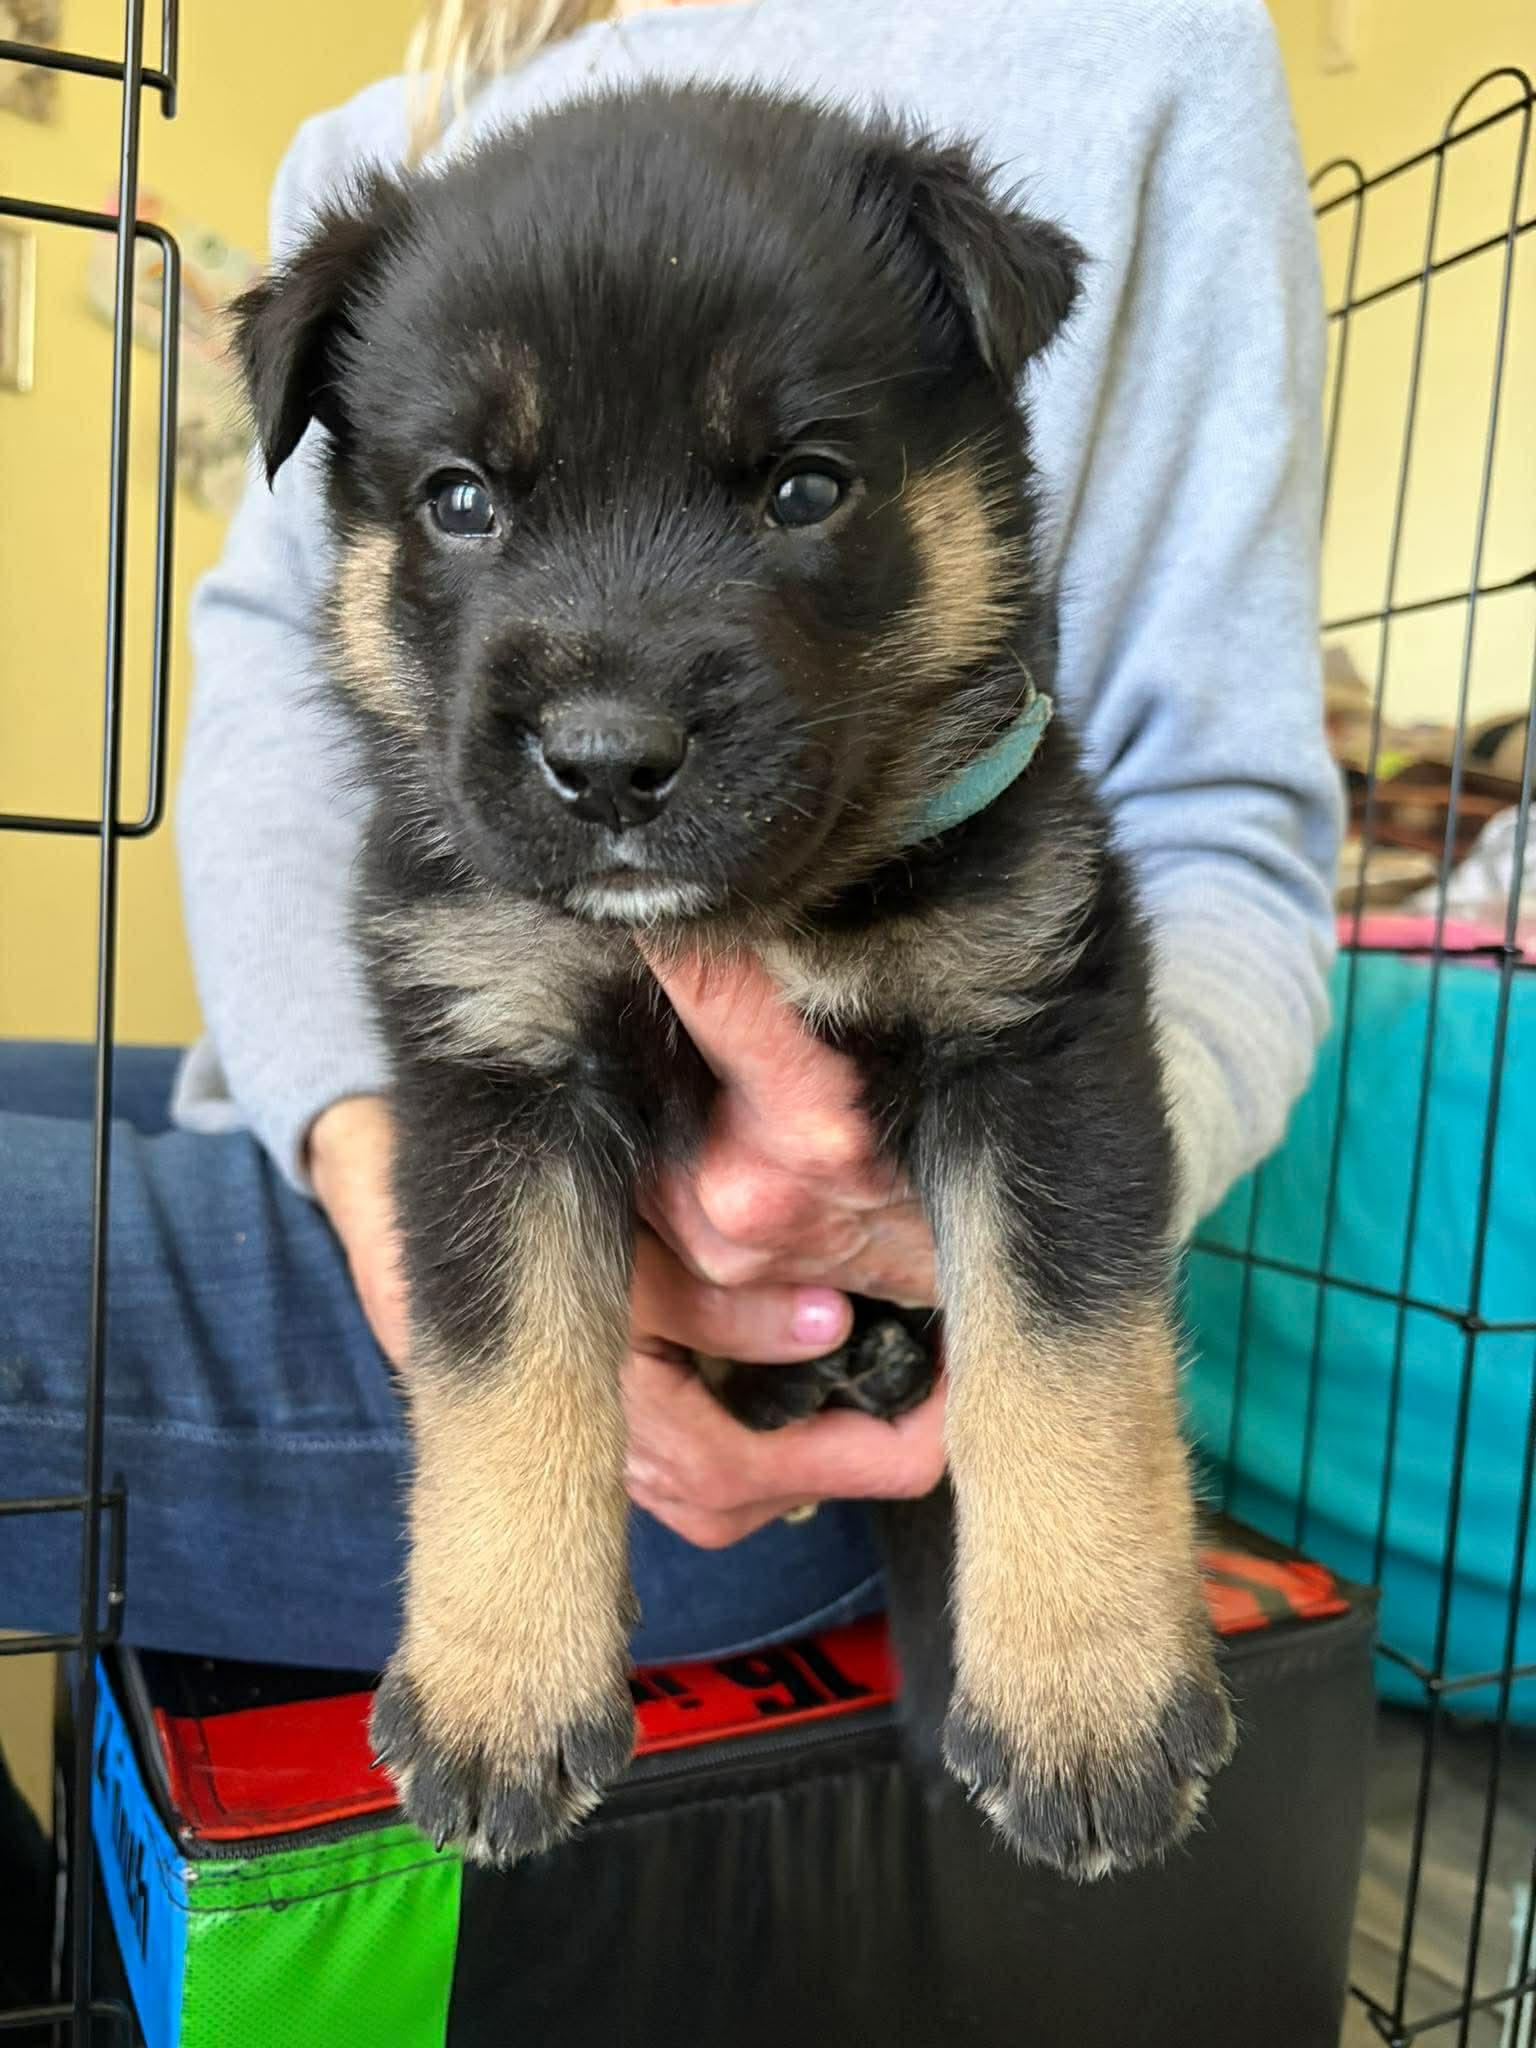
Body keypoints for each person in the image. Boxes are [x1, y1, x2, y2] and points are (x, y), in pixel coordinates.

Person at [0, 0, 1339, 1676]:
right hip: (397, 1179)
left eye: (800, 491)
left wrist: (952, 1249)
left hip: (804, 1396)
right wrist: (352, 1141)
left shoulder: (1123, 52)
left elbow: (1214, 828)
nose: (610, 721)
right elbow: (284, 678)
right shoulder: (387, 157)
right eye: (467, 504)